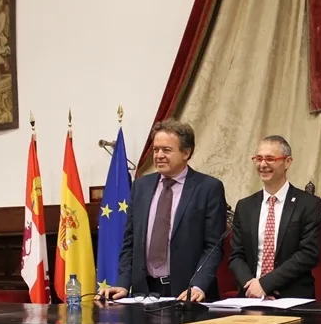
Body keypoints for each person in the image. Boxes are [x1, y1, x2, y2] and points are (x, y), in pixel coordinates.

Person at [97, 121, 228, 303]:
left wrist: (198, 285)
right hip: (144, 294)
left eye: (166, 150)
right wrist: (123, 283)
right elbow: (130, 242)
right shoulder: (141, 186)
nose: (159, 155)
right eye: (156, 150)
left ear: (186, 153)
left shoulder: (208, 188)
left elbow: (213, 247)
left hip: (189, 295)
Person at [229, 136, 321, 299]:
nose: (263, 164)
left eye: (270, 159)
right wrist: (252, 287)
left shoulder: (308, 204)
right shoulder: (245, 206)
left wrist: (265, 285)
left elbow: (308, 254)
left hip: (292, 297)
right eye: (258, 159)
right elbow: (236, 255)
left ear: (287, 162)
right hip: (250, 296)